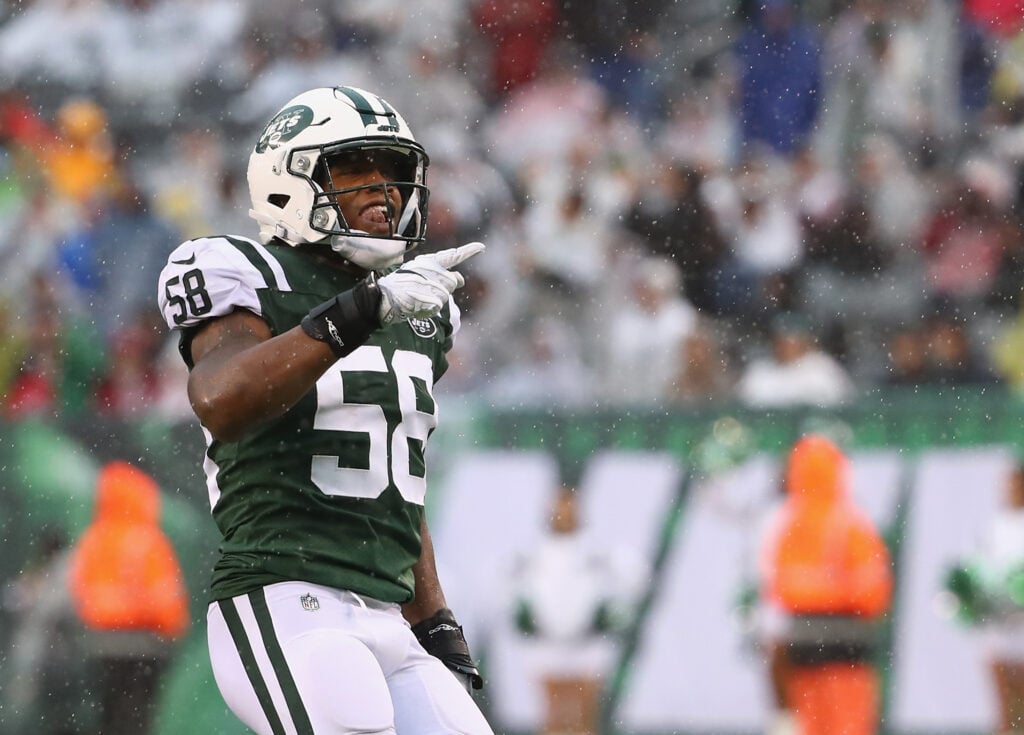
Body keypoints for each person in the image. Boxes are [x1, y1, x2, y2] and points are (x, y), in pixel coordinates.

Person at [156, 85, 493, 734]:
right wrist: (353, 316)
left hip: (385, 610)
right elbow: (221, 400)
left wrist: (434, 615)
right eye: (354, 168)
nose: (382, 190)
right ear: (287, 181)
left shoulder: (414, 308)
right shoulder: (247, 269)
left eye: (391, 172)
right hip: (285, 593)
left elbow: (395, 477)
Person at [755, 434, 892, 735]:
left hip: (802, 640)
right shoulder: (852, 521)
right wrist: (839, 598)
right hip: (848, 642)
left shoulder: (787, 523)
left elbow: (775, 585)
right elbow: (873, 590)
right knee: (848, 722)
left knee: (809, 722)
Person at [68, 460, 190, 735]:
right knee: (137, 717)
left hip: (101, 645)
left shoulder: (94, 539)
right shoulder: (146, 540)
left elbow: (79, 591)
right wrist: (172, 628)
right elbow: (165, 597)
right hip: (144, 646)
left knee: (109, 714)